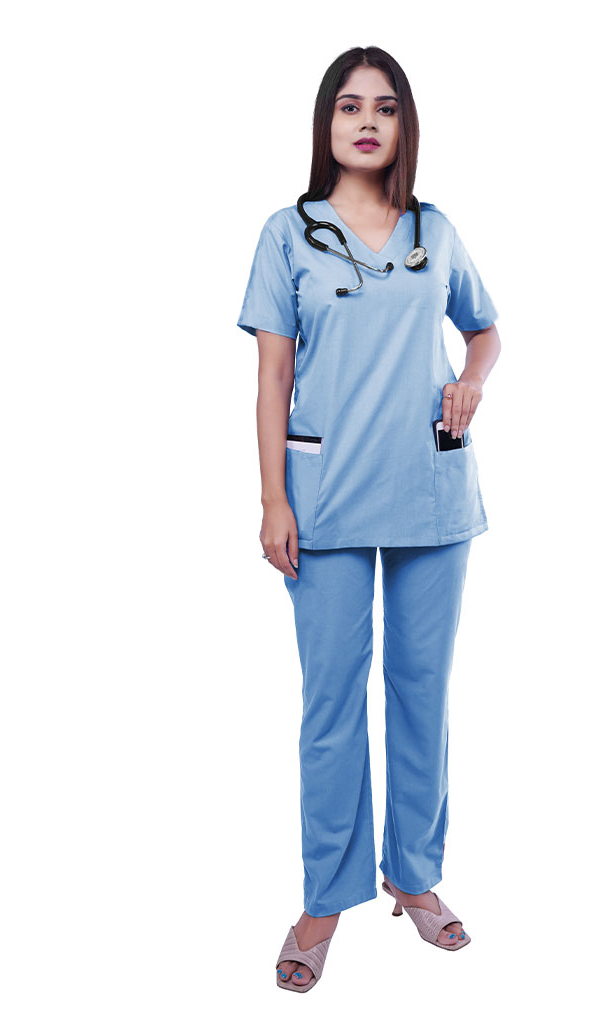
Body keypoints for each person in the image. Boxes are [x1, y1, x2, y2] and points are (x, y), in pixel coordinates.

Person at [237, 45, 501, 993]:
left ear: (403, 125)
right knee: (331, 703)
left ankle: (414, 876)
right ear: (327, 123)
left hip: (432, 491)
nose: (367, 121)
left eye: (385, 107)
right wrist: (273, 498)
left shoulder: (435, 230)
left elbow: (485, 330)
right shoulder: (288, 234)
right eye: (350, 106)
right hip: (325, 498)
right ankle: (326, 896)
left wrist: (471, 382)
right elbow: (272, 375)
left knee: (422, 692)